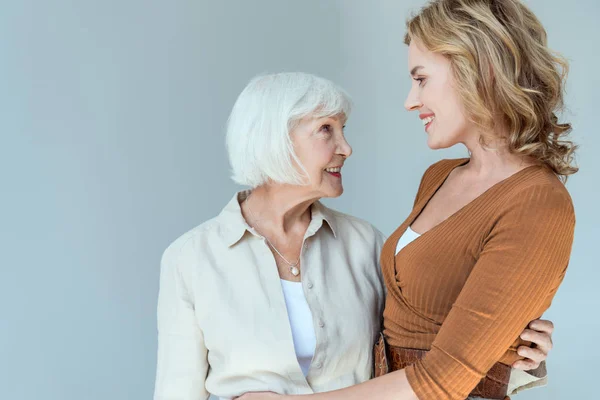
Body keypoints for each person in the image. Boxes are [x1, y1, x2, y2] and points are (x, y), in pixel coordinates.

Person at [237, 0, 577, 400]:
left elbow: (443, 381)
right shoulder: (439, 176)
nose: (410, 101)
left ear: (478, 69)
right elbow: (411, 314)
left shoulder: (538, 202)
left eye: (421, 79)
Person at [154, 71, 555, 400]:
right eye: (326, 130)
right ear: (272, 138)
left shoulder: (365, 245)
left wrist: (512, 349)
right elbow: (176, 392)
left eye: (343, 129)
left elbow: (422, 351)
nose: (347, 147)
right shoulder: (190, 259)